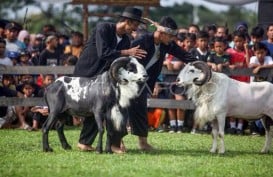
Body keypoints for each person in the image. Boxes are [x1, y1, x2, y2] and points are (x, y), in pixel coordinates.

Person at [73, 7, 147, 153]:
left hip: (104, 77)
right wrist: (127, 53)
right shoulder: (104, 28)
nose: (136, 28)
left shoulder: (126, 39)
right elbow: (103, 53)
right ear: (128, 22)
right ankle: (101, 143)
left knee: (109, 106)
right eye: (135, 24)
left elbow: (119, 62)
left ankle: (105, 143)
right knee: (97, 108)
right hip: (86, 74)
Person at [120, 16, 195, 148]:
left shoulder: (166, 44)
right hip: (127, 80)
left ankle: (143, 143)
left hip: (142, 83)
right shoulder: (142, 41)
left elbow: (184, 55)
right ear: (161, 32)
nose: (173, 40)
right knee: (122, 109)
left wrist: (201, 64)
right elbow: (125, 60)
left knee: (141, 110)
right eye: (170, 36)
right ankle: (118, 142)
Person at [226, 30, 253, 135]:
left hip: (244, 81)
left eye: (240, 41)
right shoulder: (229, 52)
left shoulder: (248, 52)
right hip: (232, 81)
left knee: (242, 104)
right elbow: (225, 64)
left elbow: (249, 63)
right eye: (236, 41)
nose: (238, 43)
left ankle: (240, 127)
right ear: (233, 41)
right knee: (232, 104)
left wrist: (246, 49)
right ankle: (232, 126)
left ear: (244, 41)